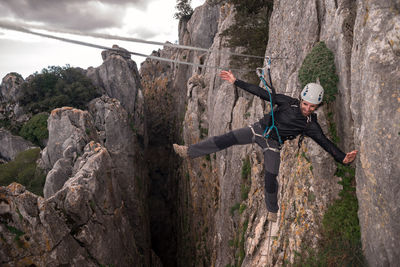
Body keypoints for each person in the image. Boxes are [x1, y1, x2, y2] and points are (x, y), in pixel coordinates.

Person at [173, 70, 358, 222]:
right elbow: (262, 94)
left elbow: (325, 142)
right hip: (257, 130)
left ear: (317, 107)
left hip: (273, 144)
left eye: (312, 107)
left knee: (271, 176)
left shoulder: (311, 125)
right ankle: (189, 152)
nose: (307, 108)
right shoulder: (288, 102)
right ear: (300, 98)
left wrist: (342, 157)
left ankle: (272, 210)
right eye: (306, 104)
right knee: (225, 139)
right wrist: (236, 82)